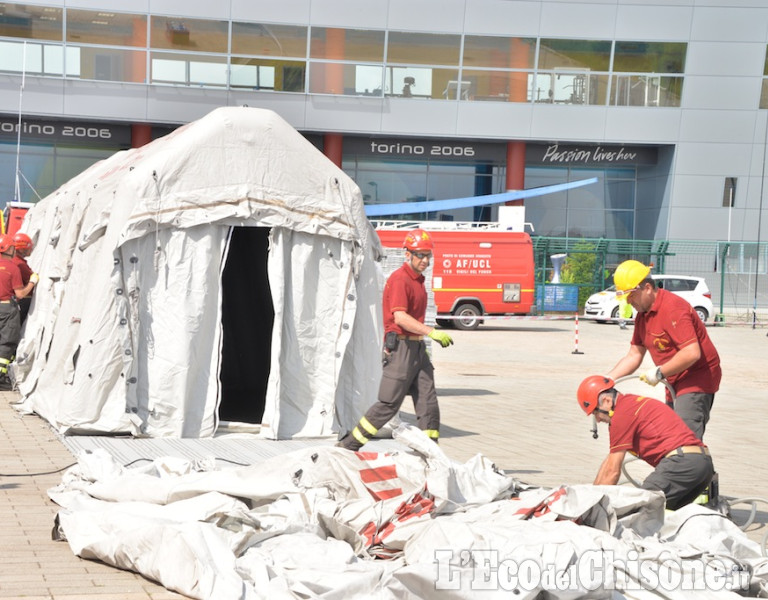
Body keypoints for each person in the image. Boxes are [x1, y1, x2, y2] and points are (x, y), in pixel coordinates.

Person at [337, 229, 454, 451]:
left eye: (428, 255)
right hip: (400, 349)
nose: (425, 260)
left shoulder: (418, 281)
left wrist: (422, 342)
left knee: (428, 403)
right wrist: (431, 332)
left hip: (416, 348)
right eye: (420, 255)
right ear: (407, 254)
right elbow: (400, 317)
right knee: (388, 404)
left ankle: (431, 452)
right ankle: (348, 446)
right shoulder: (400, 279)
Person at [605, 260, 721, 441]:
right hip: (673, 379)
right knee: (670, 438)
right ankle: (694, 468)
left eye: (631, 296)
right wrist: (608, 379)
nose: (628, 301)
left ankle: (697, 468)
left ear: (648, 288)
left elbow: (692, 352)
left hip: (697, 378)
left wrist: (659, 372)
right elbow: (634, 355)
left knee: (684, 439)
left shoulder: (673, 309)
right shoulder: (643, 317)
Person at [578, 375, 714, 510]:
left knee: (636, 511)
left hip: (681, 464)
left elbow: (612, 472)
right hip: (702, 465)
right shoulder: (631, 404)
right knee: (663, 517)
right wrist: (591, 496)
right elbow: (609, 463)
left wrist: (591, 510)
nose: (598, 420)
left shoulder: (621, 414)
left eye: (596, 412)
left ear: (607, 401)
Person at [0, 234, 38, 390]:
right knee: (7, 343)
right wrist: (32, 282)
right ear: (9, 249)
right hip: (7, 308)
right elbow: (20, 294)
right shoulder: (12, 268)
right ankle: (1, 377)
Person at [11, 232, 34, 325]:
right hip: (21, 300)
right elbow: (30, 277)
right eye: (29, 247)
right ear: (21, 249)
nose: (31, 249)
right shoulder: (20, 264)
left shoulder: (13, 260)